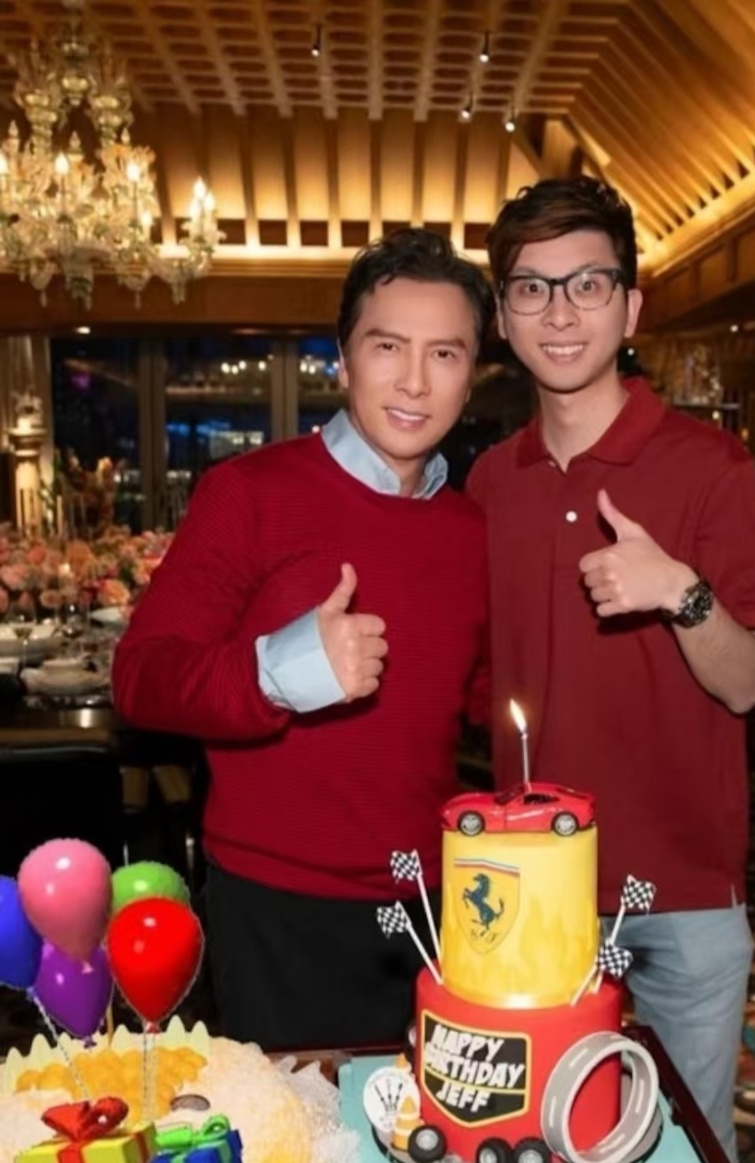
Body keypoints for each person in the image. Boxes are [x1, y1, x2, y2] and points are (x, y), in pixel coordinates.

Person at [113, 228, 493, 1051]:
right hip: (276, 906)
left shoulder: (474, 530)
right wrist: (280, 672)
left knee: (423, 1124)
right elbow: (140, 677)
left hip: (435, 902)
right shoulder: (247, 492)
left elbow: (483, 701)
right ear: (344, 359)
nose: (415, 380)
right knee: (296, 1132)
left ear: (472, 377)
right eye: (387, 346)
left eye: (445, 354)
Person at [466, 178, 755, 1163]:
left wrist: (680, 590)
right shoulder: (489, 481)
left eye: (588, 283)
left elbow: (747, 682)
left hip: (684, 891)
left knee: (690, 1160)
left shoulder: (712, 467)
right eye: (532, 287)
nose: (560, 312)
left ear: (631, 307)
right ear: (503, 316)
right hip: (535, 886)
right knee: (546, 1152)